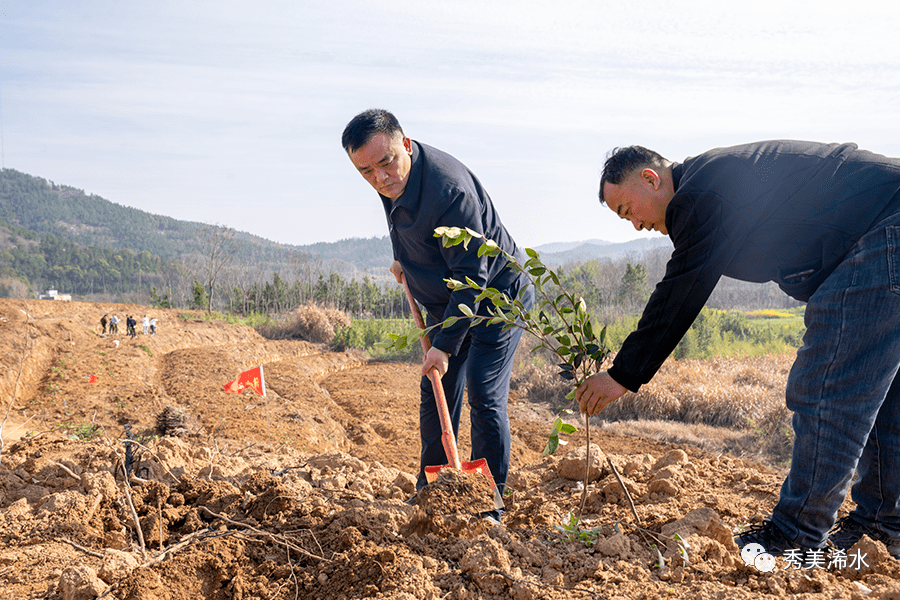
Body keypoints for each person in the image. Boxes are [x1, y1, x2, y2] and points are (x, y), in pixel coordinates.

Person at [577, 141, 900, 560]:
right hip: (887, 224)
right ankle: (883, 527)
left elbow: (683, 286)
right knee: (883, 391)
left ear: (650, 178)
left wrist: (623, 373)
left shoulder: (701, 193)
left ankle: (794, 536)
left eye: (627, 210)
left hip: (887, 228)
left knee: (826, 385)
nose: (635, 225)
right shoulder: (714, 180)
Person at [342, 109, 534, 522]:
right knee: (437, 391)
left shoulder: (450, 191)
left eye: (386, 163)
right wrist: (403, 260)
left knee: (483, 392)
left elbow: (472, 277)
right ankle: (433, 489)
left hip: (497, 295)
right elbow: (401, 220)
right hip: (449, 302)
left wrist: (445, 347)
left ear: (406, 145)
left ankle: (487, 505)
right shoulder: (388, 176)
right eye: (366, 171)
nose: (380, 178)